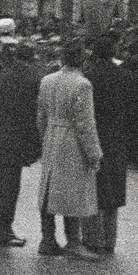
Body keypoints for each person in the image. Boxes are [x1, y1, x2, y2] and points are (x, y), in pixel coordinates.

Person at [36, 40, 102, 260]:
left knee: (48, 189)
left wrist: (45, 135)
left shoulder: (47, 80)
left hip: (52, 135)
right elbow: (85, 123)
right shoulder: (82, 84)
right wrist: (94, 153)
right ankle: (73, 241)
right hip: (71, 141)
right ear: (81, 59)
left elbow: (41, 116)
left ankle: (47, 238)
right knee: (72, 191)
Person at [0, 38, 42, 247]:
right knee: (10, 189)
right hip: (15, 141)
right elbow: (34, 113)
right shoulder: (32, 78)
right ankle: (3, 231)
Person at [83, 35, 131, 253]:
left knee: (92, 187)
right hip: (118, 137)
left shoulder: (89, 77)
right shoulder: (124, 76)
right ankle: (110, 239)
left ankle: (93, 238)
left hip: (95, 134)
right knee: (113, 190)